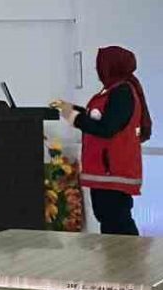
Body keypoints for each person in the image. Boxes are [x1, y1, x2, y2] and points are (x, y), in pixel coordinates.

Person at [52, 45, 152, 237]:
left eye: (101, 65)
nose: (98, 70)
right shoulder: (112, 91)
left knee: (117, 222)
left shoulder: (122, 92)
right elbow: (96, 117)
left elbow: (106, 128)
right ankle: (116, 255)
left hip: (113, 171)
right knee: (109, 220)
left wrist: (73, 117)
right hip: (105, 172)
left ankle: (128, 256)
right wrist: (68, 109)